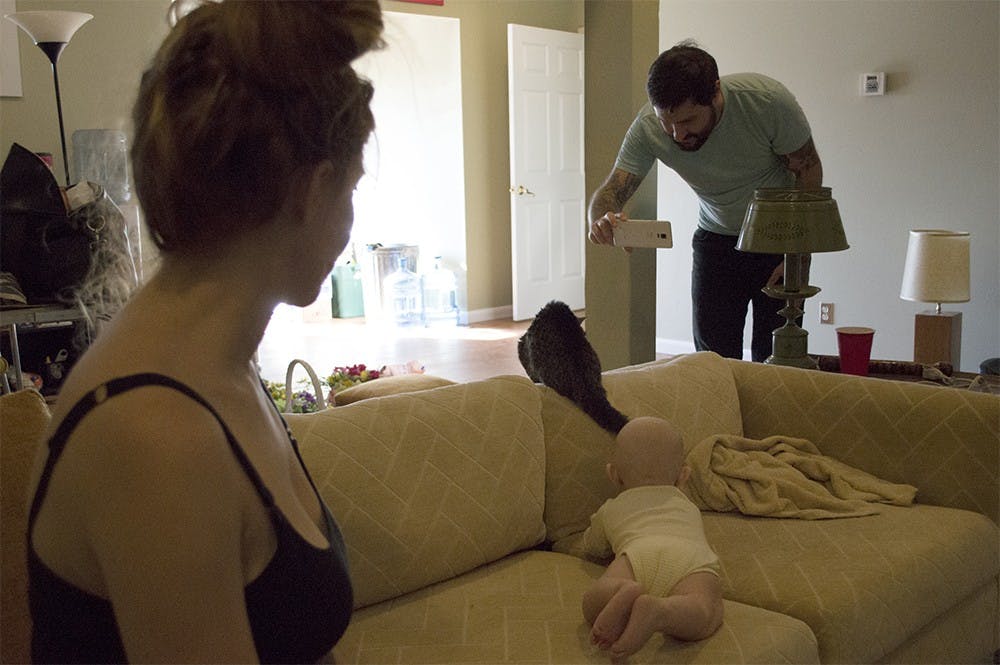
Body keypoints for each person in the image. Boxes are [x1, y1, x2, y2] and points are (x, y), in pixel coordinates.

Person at [25, 1, 383, 662]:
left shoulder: (220, 364)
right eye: (352, 190)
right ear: (310, 190)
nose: (350, 223)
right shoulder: (156, 433)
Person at [588, 42, 823, 362]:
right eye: (666, 122)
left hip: (778, 239)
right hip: (716, 242)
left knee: (777, 359)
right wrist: (601, 219)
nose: (676, 135)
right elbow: (613, 190)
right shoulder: (647, 128)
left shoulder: (766, 102)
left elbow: (808, 171)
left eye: (687, 121)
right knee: (711, 362)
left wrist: (798, 254)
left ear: (715, 92)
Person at [580, 416, 723, 660]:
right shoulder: (686, 505)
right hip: (691, 559)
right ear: (683, 477)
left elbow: (593, 547)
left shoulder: (611, 508)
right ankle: (661, 612)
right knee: (705, 610)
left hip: (637, 555)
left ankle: (624, 590)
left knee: (593, 600)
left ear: (613, 475)